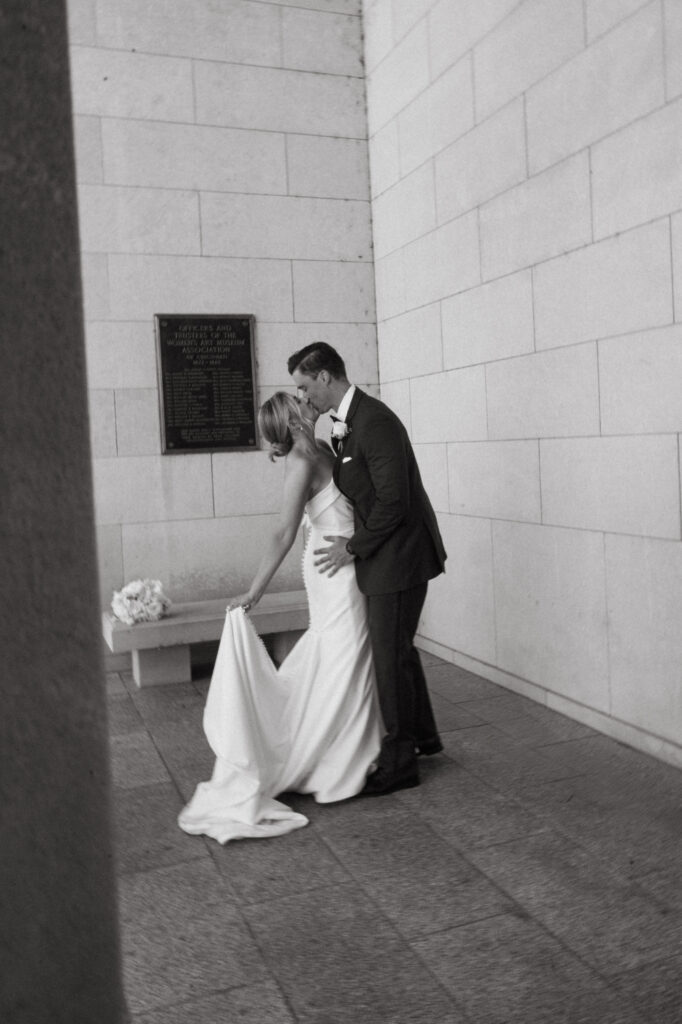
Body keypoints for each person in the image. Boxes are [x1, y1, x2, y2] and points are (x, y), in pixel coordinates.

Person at [178, 392, 382, 842]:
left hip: (346, 562)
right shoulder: (301, 462)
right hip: (333, 572)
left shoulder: (324, 447)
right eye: (299, 402)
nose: (307, 401)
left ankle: (349, 748)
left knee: (344, 655)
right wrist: (255, 591)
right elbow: (284, 532)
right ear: (292, 422)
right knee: (346, 653)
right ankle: (336, 759)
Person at [289, 343, 447, 796]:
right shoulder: (344, 421)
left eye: (304, 386)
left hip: (398, 556)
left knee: (388, 656)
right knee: (398, 649)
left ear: (324, 377)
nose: (303, 398)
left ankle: (399, 765)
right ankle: (422, 737)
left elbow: (394, 500)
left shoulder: (373, 421)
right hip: (387, 553)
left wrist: (351, 548)